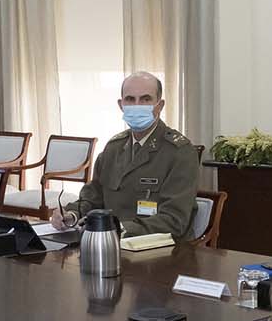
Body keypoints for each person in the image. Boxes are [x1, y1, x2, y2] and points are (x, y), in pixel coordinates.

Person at [49, 72, 199, 240]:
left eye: (145, 99)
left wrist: (120, 229)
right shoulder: (114, 148)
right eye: (130, 99)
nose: (137, 105)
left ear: (160, 105)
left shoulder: (180, 152)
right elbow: (93, 198)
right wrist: (72, 214)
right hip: (112, 243)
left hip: (161, 250)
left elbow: (174, 220)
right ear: (121, 105)